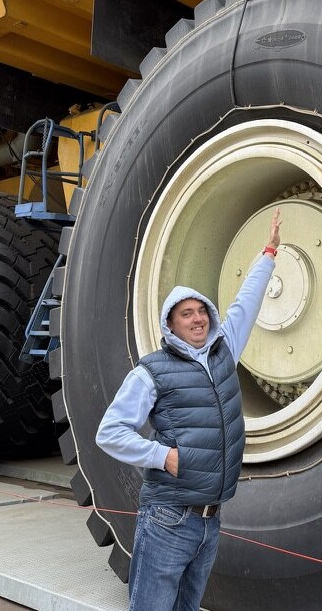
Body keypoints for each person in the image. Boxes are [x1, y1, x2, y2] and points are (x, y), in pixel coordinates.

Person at [96, 207, 282, 611]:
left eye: (201, 311)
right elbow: (109, 432)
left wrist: (268, 254)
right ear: (171, 324)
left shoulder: (223, 351)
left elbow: (245, 305)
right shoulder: (152, 371)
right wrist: (162, 456)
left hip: (209, 519)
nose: (197, 319)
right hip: (168, 517)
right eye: (187, 314)